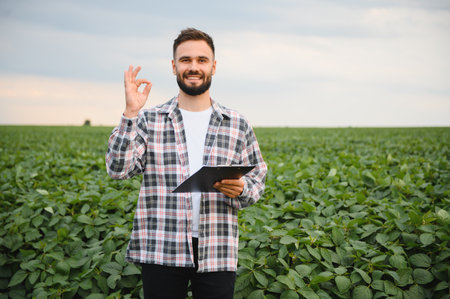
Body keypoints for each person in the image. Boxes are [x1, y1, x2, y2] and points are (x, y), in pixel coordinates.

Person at [106, 28, 267, 299]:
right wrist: (131, 112)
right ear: (174, 66)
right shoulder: (149, 120)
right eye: (186, 60)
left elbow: (258, 181)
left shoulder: (236, 123)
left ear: (213, 67)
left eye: (202, 60)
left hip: (216, 249)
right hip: (160, 247)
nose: (194, 67)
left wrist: (241, 189)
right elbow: (118, 169)